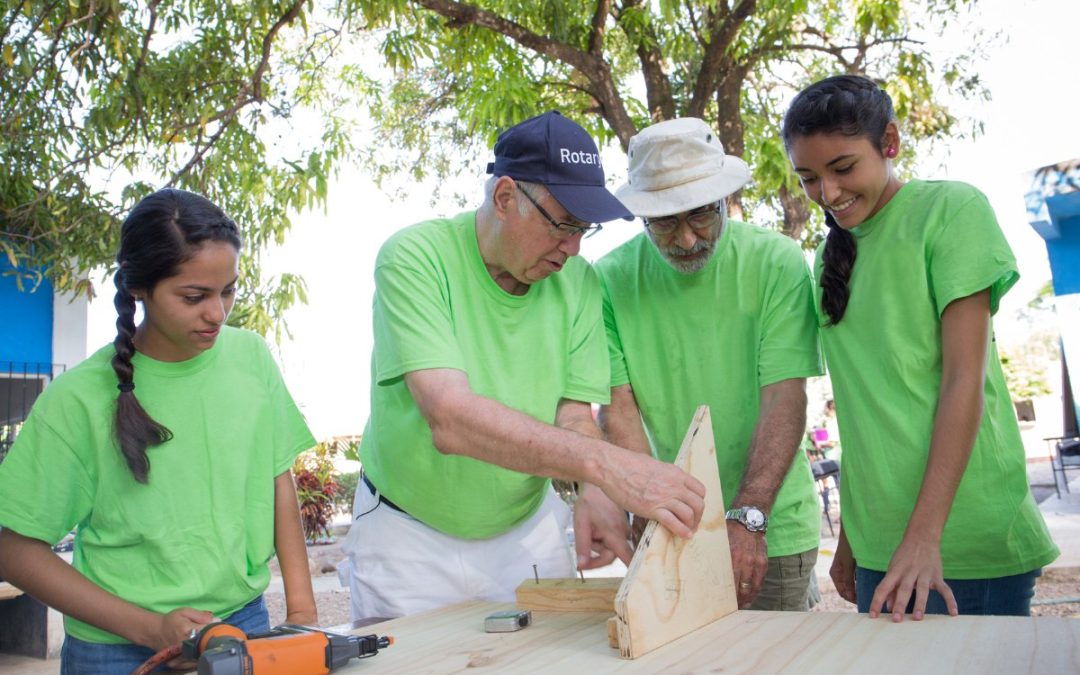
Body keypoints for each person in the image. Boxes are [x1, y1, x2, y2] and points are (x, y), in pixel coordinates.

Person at [341, 111, 706, 621]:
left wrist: (592, 492)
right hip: (409, 539)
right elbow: (450, 418)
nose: (573, 248)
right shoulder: (415, 258)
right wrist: (606, 467)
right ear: (506, 197)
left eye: (584, 229)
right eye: (562, 224)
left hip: (527, 531)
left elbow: (574, 417)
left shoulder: (578, 282)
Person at [0, 189, 317, 674]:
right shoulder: (77, 399)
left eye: (228, 290)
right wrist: (150, 628)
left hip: (244, 626)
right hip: (115, 650)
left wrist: (301, 615)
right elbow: (14, 550)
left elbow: (278, 479)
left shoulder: (251, 357)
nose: (217, 313)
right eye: (194, 297)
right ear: (137, 288)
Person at [782, 74, 1059, 621]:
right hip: (880, 545)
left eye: (842, 169)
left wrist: (924, 536)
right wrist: (853, 537)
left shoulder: (951, 211)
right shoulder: (826, 259)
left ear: (890, 142)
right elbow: (865, 408)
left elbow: (964, 381)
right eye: (809, 178)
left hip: (957, 541)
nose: (828, 194)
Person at [595, 117, 824, 610]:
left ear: (725, 198)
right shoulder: (607, 280)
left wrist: (749, 516)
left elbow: (784, 394)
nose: (684, 239)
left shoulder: (777, 261)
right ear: (640, 216)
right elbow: (619, 407)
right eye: (664, 222)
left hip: (772, 530)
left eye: (699, 215)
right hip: (671, 529)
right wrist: (649, 505)